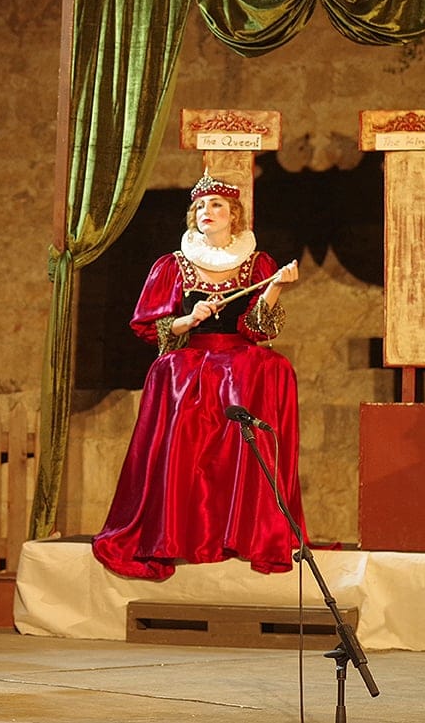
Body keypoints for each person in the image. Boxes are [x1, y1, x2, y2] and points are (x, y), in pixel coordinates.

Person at [92, 174, 304, 579]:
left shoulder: (257, 264)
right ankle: (177, 533)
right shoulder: (173, 265)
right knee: (172, 376)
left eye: (217, 205)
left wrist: (275, 287)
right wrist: (188, 319)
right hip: (191, 360)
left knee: (269, 368)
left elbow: (259, 330)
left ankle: (245, 529)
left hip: (239, 360)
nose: (207, 211)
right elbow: (151, 329)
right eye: (201, 206)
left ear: (234, 215)